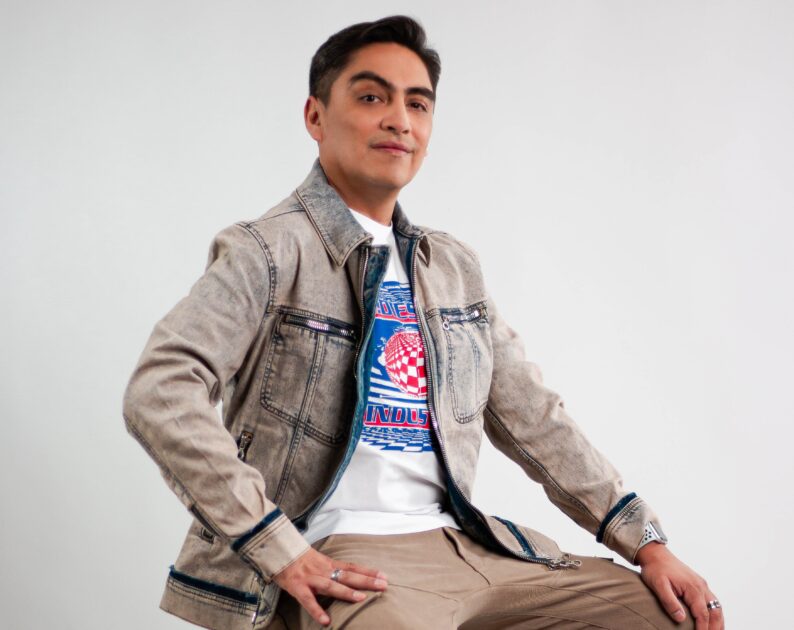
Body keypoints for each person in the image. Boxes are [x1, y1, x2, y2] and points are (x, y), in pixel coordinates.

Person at [123, 15, 723, 630]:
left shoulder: (452, 267)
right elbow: (161, 390)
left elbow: (535, 418)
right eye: (371, 97)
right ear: (315, 117)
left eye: (418, 104)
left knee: (672, 617)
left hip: (467, 544)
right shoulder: (267, 252)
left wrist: (646, 542)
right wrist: (278, 548)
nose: (399, 120)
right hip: (343, 553)